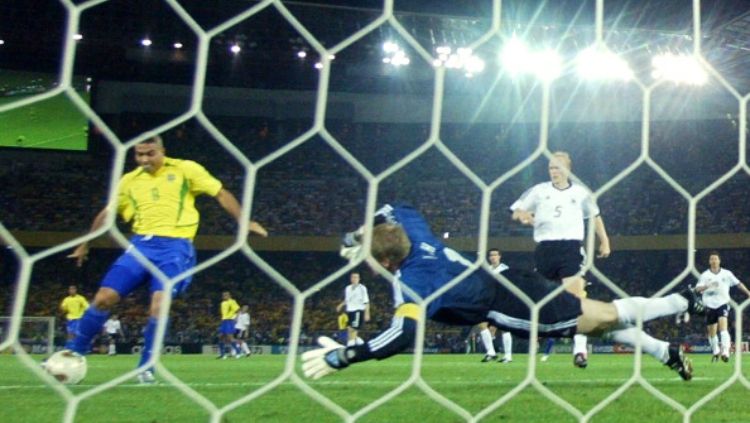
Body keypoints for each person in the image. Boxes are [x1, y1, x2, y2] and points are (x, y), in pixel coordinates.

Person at [302, 203, 701, 381]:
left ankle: (685, 300)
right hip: (507, 280)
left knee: (604, 316)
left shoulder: (413, 282)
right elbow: (395, 205)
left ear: (386, 264)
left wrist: (345, 355)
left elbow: (402, 335)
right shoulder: (414, 231)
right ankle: (666, 350)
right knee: (599, 324)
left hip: (513, 305)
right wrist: (360, 233)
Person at [65, 136, 268, 383]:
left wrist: (244, 221)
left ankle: (146, 366)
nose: (144, 159)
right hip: (140, 245)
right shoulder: (129, 180)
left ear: (162, 151)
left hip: (175, 248)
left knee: (159, 303)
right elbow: (109, 212)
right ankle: (74, 352)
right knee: (103, 297)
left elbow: (221, 193)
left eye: (150, 153)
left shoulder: (185, 169)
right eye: (139, 155)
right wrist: (86, 242)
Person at [510, 151, 610, 368]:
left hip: (570, 249)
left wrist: (605, 241)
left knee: (575, 298)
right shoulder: (539, 191)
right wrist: (523, 216)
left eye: (558, 167)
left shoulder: (581, 193)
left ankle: (580, 350)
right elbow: (517, 210)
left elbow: (595, 216)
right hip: (545, 250)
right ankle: (536, 340)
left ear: (567, 169)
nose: (554, 171)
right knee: (540, 299)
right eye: (551, 168)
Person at [694, 251, 750, 362]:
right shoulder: (705, 275)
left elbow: (738, 283)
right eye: (712, 259)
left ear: (719, 261)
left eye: (715, 259)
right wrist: (707, 286)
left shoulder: (727, 274)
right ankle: (715, 350)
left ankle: (725, 351)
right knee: (712, 333)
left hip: (722, 304)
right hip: (709, 305)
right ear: (709, 261)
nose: (714, 261)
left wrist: (748, 292)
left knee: (723, 328)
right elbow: (697, 289)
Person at [476, 249, 513, 363]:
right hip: (489, 300)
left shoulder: (505, 269)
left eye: (495, 255)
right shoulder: (488, 270)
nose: (493, 257)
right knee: (482, 325)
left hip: (502, 300)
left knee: (504, 328)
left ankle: (508, 356)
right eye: (491, 255)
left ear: (499, 256)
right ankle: (491, 352)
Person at [336, 271, 370, 347]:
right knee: (349, 330)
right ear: (350, 278)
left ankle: (350, 347)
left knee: (353, 330)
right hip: (349, 311)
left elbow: (366, 301)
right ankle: (362, 344)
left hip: (358, 311)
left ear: (359, 279)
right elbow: (347, 300)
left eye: (356, 277)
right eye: (352, 277)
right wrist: (340, 305)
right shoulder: (347, 288)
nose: (354, 279)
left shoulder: (362, 288)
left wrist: (367, 313)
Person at [218, 291, 242, 359]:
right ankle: (223, 354)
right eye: (223, 295)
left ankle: (238, 352)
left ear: (229, 296)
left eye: (225, 295)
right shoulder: (222, 303)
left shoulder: (232, 301)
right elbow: (223, 314)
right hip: (224, 321)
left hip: (229, 321)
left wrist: (236, 318)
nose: (223, 296)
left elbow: (238, 310)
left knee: (230, 338)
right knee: (221, 337)